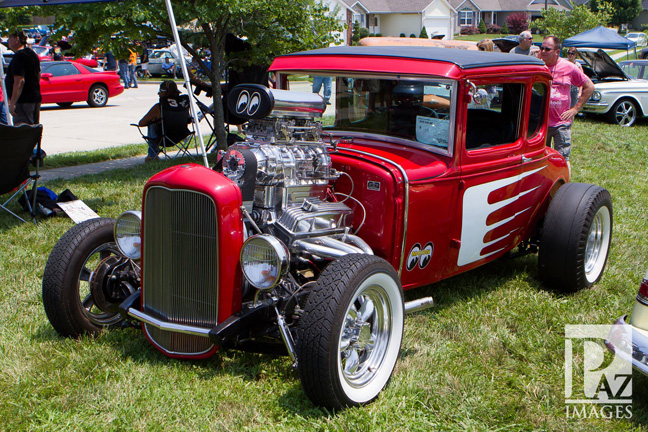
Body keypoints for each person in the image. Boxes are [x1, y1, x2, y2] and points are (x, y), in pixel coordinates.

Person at [540, 36, 594, 166]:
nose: (543, 51)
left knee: (563, 159)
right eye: (542, 48)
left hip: (561, 123)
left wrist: (575, 108)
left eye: (547, 49)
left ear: (557, 51)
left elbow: (590, 86)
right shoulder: (538, 66)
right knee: (540, 159)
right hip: (541, 123)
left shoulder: (569, 67)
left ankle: (565, 186)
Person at [6, 29, 41, 125]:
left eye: (10, 37)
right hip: (34, 98)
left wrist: (13, 102)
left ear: (17, 39)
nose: (7, 40)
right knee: (33, 130)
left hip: (23, 101)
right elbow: (38, 75)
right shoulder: (32, 54)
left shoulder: (19, 56)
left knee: (23, 131)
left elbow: (19, 81)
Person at [138, 80, 180, 162]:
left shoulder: (159, 107)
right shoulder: (182, 105)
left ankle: (152, 155)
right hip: (180, 135)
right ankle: (152, 155)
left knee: (152, 124)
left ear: (165, 93)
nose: (158, 94)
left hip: (165, 138)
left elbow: (141, 123)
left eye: (160, 91)